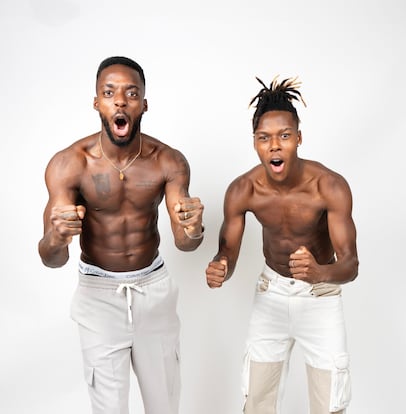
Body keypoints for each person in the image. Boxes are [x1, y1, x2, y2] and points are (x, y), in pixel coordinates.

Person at [38, 56, 204, 414]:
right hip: (98, 296)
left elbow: (185, 243)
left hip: (154, 292)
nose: (119, 100)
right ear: (96, 102)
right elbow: (51, 257)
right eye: (109, 92)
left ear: (143, 104)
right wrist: (57, 235)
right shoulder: (70, 164)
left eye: (131, 93)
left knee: (165, 405)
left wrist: (194, 227)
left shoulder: (168, 161)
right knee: (109, 408)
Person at [205, 76, 358, 414]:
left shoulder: (329, 187)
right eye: (265, 138)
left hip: (320, 298)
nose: (274, 146)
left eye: (284, 136)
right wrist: (220, 268)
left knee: (330, 405)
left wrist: (320, 272)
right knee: (257, 403)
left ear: (299, 138)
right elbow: (226, 252)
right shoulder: (243, 189)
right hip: (270, 296)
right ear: (255, 143)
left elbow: (350, 264)